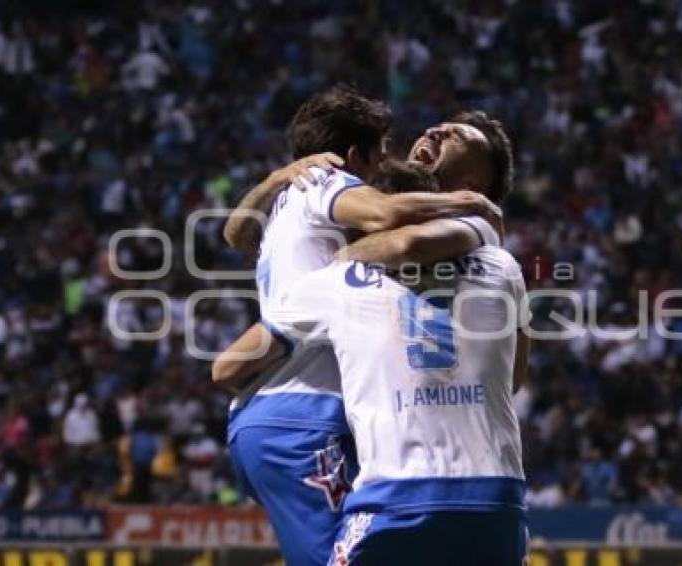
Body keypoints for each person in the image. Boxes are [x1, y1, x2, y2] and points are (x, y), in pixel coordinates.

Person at [223, 85, 509, 566]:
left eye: (454, 135)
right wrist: (473, 206)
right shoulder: (332, 192)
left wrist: (273, 181)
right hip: (307, 413)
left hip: (301, 417)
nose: (433, 130)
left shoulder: (309, 199)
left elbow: (235, 235)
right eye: (379, 157)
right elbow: (389, 222)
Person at [213, 245, 530, 565]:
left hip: (397, 491)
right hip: (498, 493)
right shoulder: (500, 263)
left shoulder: (337, 280)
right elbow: (513, 380)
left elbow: (226, 368)